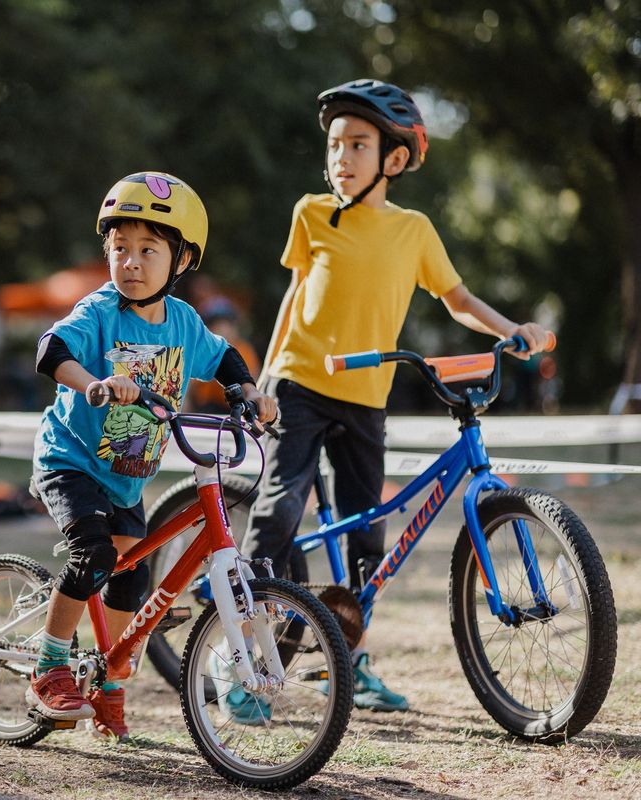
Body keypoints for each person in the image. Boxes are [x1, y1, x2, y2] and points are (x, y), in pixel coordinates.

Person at [240, 79, 548, 716]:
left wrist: (510, 330)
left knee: (367, 534)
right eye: (334, 146)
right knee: (278, 514)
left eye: (358, 145)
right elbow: (295, 295)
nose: (342, 158)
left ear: (395, 159)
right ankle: (238, 655)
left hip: (366, 396)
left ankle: (348, 661)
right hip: (299, 383)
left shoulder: (414, 231)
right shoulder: (310, 213)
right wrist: (265, 376)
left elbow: (456, 301)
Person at [29, 172, 277, 740]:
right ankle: (49, 666)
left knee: (130, 580)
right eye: (119, 249)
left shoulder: (185, 323)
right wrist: (91, 382)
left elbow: (225, 360)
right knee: (93, 556)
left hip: (127, 476)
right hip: (72, 461)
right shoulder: (99, 312)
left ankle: (109, 680)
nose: (131, 262)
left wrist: (250, 394)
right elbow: (52, 350)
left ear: (181, 259)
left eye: (147, 250)